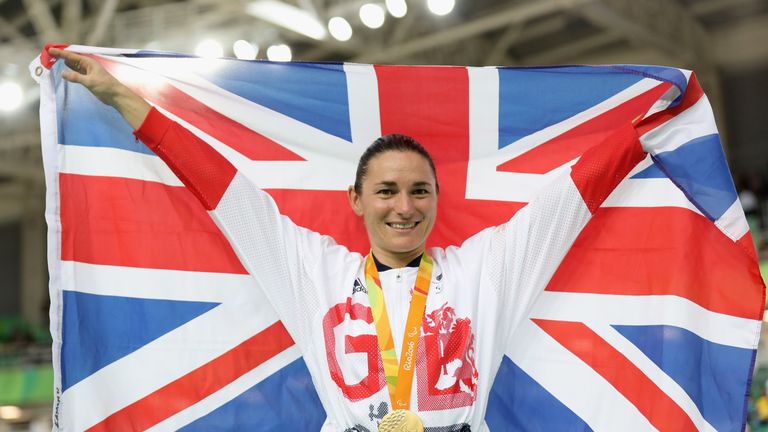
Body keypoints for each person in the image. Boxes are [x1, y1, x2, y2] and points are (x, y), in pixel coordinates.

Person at [47, 47, 646, 432]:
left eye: (419, 191)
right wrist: (123, 97)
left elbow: (564, 203)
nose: (404, 208)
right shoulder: (315, 270)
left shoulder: (483, 271)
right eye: (386, 191)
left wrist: (647, 128)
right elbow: (225, 192)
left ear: (437, 200)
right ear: (356, 201)